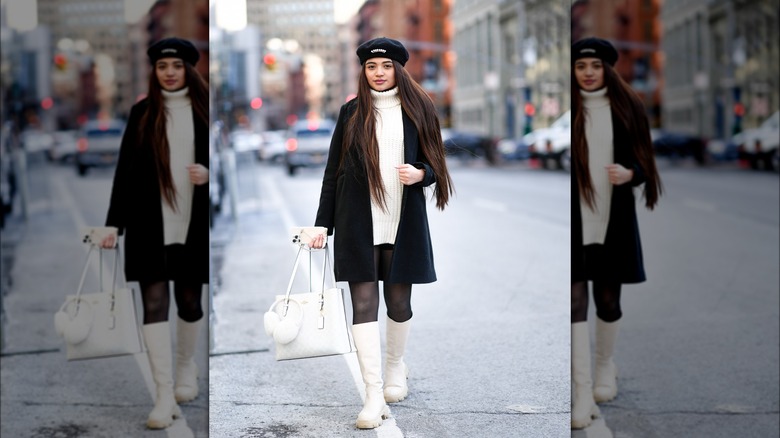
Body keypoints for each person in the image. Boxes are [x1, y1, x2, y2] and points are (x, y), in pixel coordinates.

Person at [309, 37, 454, 429]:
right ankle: (373, 396)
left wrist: (422, 173)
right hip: (358, 221)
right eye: (372, 67)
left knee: (398, 304)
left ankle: (395, 367)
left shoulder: (419, 109)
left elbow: (437, 163)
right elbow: (333, 171)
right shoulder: (351, 112)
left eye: (386, 66)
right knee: (363, 305)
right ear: (364, 71)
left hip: (401, 221)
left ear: (398, 70)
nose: (378, 73)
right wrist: (322, 224)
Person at [100, 37, 209, 429]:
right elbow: (125, 172)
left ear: (188, 70)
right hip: (150, 222)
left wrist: (208, 174)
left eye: (176, 66)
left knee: (190, 301)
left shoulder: (204, 111)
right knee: (154, 302)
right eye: (163, 67)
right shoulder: (142, 112)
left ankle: (185, 368)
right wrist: (114, 224)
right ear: (155, 72)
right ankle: (164, 395)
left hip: (192, 223)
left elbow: (220, 166)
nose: (169, 72)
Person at [570, 37, 662, 429]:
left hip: (612, 218)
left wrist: (630, 174)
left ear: (607, 68)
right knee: (575, 301)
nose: (587, 73)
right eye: (580, 66)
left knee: (607, 300)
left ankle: (606, 366)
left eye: (594, 66)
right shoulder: (570, 112)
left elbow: (645, 163)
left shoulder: (629, 107)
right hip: (575, 221)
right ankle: (581, 389)